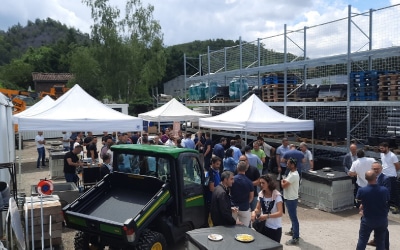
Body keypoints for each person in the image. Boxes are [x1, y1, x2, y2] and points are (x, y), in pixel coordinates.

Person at [356, 170, 390, 250]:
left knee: (362, 240)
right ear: (376, 178)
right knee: (380, 242)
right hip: (382, 219)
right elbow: (387, 201)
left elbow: (359, 203)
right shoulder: (384, 190)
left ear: (366, 178)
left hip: (368, 219)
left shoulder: (362, 190)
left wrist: (361, 209)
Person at [251, 175, 283, 243]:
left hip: (275, 228)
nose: (261, 185)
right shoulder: (261, 194)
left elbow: (280, 213)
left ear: (269, 183)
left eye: (263, 183)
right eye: (260, 183)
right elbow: (258, 208)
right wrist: (254, 213)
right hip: (264, 226)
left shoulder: (277, 196)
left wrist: (267, 216)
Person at [367, 162, 391, 248]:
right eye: (374, 169)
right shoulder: (371, 178)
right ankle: (376, 241)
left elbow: (387, 193)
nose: (376, 170)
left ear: (381, 169)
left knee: (383, 227)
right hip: (372, 206)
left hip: (381, 206)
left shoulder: (385, 179)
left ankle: (386, 246)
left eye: (377, 169)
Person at [281, 157, 300, 245]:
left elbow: (284, 185)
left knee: (293, 218)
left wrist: (282, 181)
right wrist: (284, 181)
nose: (287, 165)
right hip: (290, 198)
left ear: (293, 165)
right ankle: (293, 231)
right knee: (292, 217)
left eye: (288, 163)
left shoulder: (294, 175)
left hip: (291, 199)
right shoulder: (291, 173)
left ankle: (295, 237)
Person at [230, 161, 254, 226]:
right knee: (244, 229)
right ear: (246, 169)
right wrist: (246, 202)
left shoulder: (232, 180)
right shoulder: (249, 182)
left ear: (237, 168)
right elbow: (251, 197)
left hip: (233, 207)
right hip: (244, 208)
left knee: (232, 227)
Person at [379, 141, 400, 214]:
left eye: (382, 148)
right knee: (383, 191)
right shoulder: (381, 154)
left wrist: (392, 172)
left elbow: (397, 166)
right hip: (383, 175)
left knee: (394, 192)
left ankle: (397, 207)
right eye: (380, 148)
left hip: (391, 176)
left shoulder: (392, 156)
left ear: (387, 147)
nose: (381, 150)